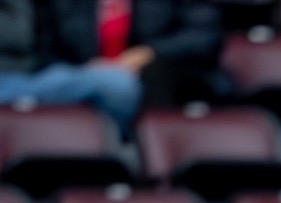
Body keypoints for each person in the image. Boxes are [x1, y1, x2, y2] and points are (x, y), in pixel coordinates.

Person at [32, 0, 225, 114]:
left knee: (154, 77)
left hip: (164, 78)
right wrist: (88, 71)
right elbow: (47, 48)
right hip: (84, 80)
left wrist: (150, 52)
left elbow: (205, 37)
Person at [0, 0, 141, 130]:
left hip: (34, 77)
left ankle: (113, 145)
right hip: (9, 82)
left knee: (116, 84)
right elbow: (18, 36)